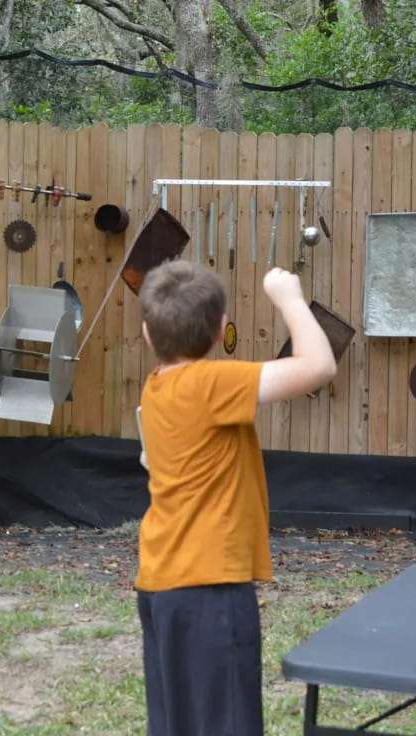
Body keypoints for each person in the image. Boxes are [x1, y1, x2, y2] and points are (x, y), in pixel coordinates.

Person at [135, 261, 336, 736]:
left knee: (177, 722)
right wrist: (288, 298)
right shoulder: (210, 385)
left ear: (147, 334)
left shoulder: (157, 386)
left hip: (161, 585)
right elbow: (319, 366)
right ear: (222, 329)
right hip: (210, 589)